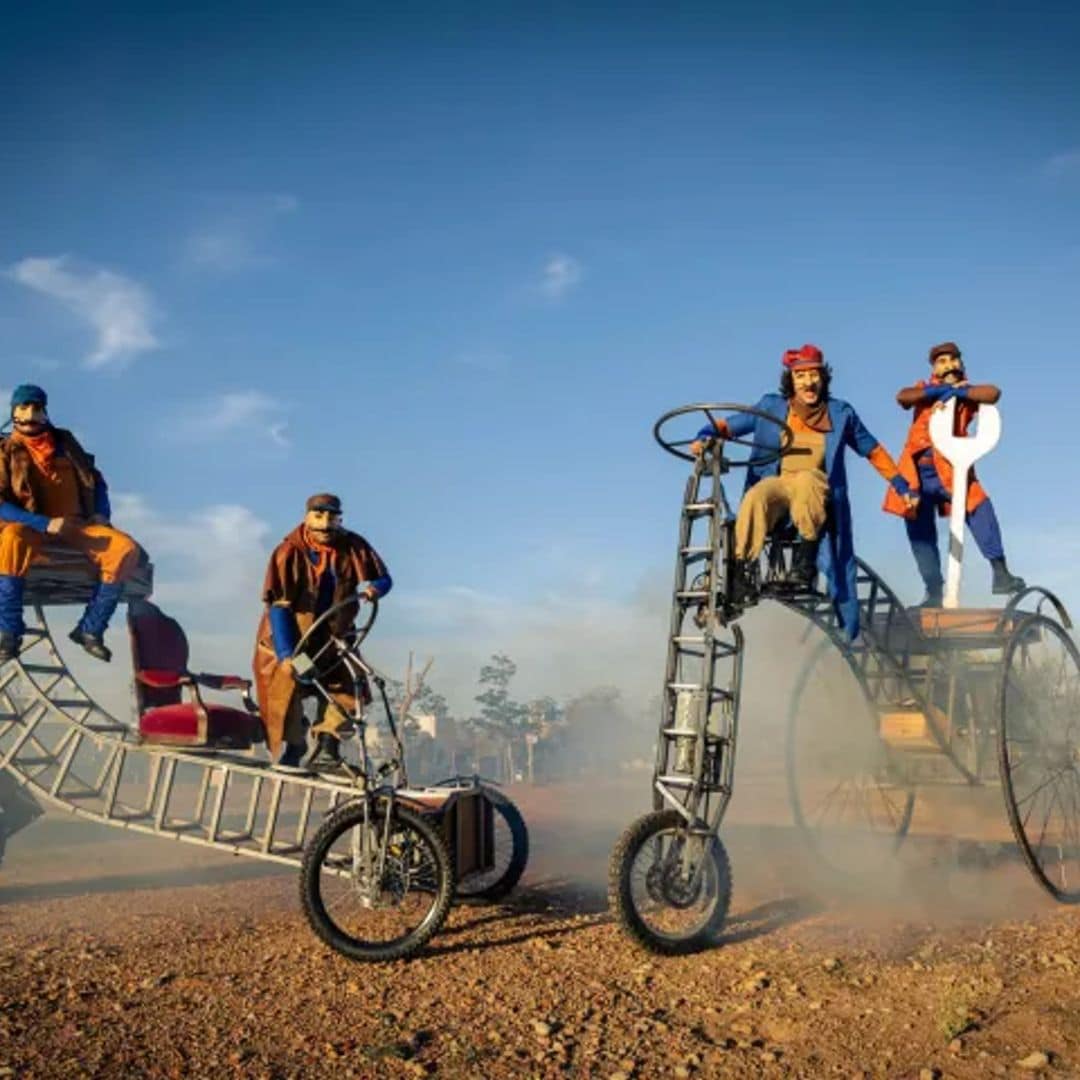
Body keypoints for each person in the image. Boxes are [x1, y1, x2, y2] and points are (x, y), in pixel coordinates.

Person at [692, 344, 916, 638]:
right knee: (757, 495)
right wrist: (705, 434)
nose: (808, 382)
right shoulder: (771, 407)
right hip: (780, 485)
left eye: (814, 375)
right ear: (791, 380)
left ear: (823, 378)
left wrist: (900, 484)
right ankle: (739, 575)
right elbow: (730, 425)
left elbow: (872, 450)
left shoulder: (840, 413)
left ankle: (804, 564)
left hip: (815, 490)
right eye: (801, 376)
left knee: (808, 479)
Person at [0, 385, 141, 662]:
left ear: (44, 411)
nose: (30, 414)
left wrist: (101, 513)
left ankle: (90, 629)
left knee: (124, 549)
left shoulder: (66, 444)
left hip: (77, 525)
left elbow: (96, 480)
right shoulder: (5, 450)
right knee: (11, 541)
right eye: (24, 408)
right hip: (31, 527)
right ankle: (8, 633)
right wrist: (42, 523)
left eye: (36, 408)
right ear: (14, 412)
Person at [253, 493, 392, 772]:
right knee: (287, 682)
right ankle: (294, 747)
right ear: (308, 518)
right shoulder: (289, 551)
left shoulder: (352, 546)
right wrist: (286, 653)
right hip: (294, 640)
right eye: (319, 516)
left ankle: (328, 746)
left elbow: (383, 578)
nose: (325, 524)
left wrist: (373, 590)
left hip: (334, 638)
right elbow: (278, 607)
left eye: (332, 517)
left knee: (352, 682)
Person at [883, 341, 1025, 606]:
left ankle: (1000, 573)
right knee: (919, 529)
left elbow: (993, 393)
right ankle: (934, 591)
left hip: (952, 465)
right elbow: (903, 397)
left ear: (960, 363)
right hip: (917, 471)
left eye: (952, 359)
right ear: (934, 368)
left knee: (979, 505)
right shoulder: (923, 390)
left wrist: (960, 392)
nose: (948, 365)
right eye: (942, 361)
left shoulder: (967, 392)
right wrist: (940, 391)